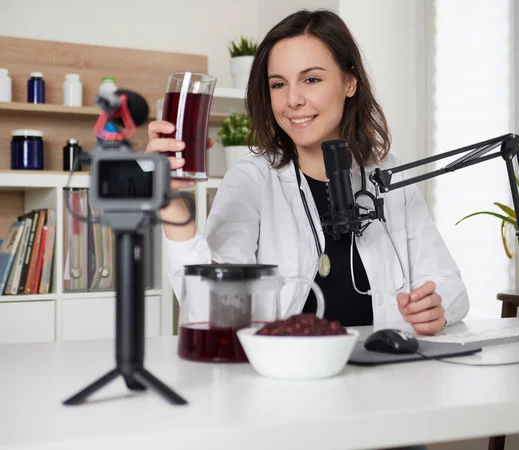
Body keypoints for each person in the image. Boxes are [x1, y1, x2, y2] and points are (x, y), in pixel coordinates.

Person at [146, 9, 469, 337]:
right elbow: (215, 310)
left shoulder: (389, 178)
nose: (293, 100)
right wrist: (172, 206)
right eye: (278, 84)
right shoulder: (251, 180)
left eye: (311, 79)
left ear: (349, 81)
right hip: (285, 380)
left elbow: (450, 286)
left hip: (383, 375)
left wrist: (435, 307)